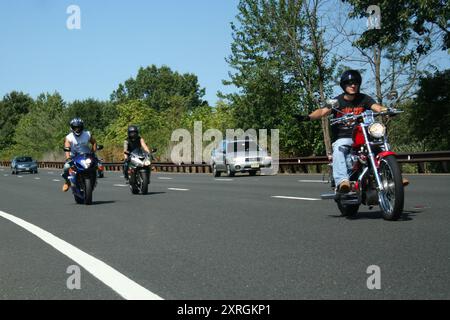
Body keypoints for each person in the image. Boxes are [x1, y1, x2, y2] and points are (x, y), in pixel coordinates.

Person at [296, 70, 391, 193]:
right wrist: (308, 117)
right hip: (344, 137)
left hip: (362, 136)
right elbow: (322, 111)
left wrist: (386, 110)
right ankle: (343, 181)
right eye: (349, 83)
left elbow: (377, 107)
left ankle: (392, 175)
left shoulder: (364, 98)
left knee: (383, 144)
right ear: (343, 85)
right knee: (339, 148)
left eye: (356, 83)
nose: (353, 85)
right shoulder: (338, 101)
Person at [62, 118, 97, 192]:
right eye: (75, 127)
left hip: (86, 155)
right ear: (72, 128)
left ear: (82, 127)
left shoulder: (87, 134)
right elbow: (67, 147)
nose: (77, 129)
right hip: (73, 156)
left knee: (97, 164)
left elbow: (94, 142)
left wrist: (93, 152)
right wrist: (68, 158)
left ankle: (94, 179)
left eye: (79, 127)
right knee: (66, 167)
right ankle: (67, 182)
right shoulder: (69, 137)